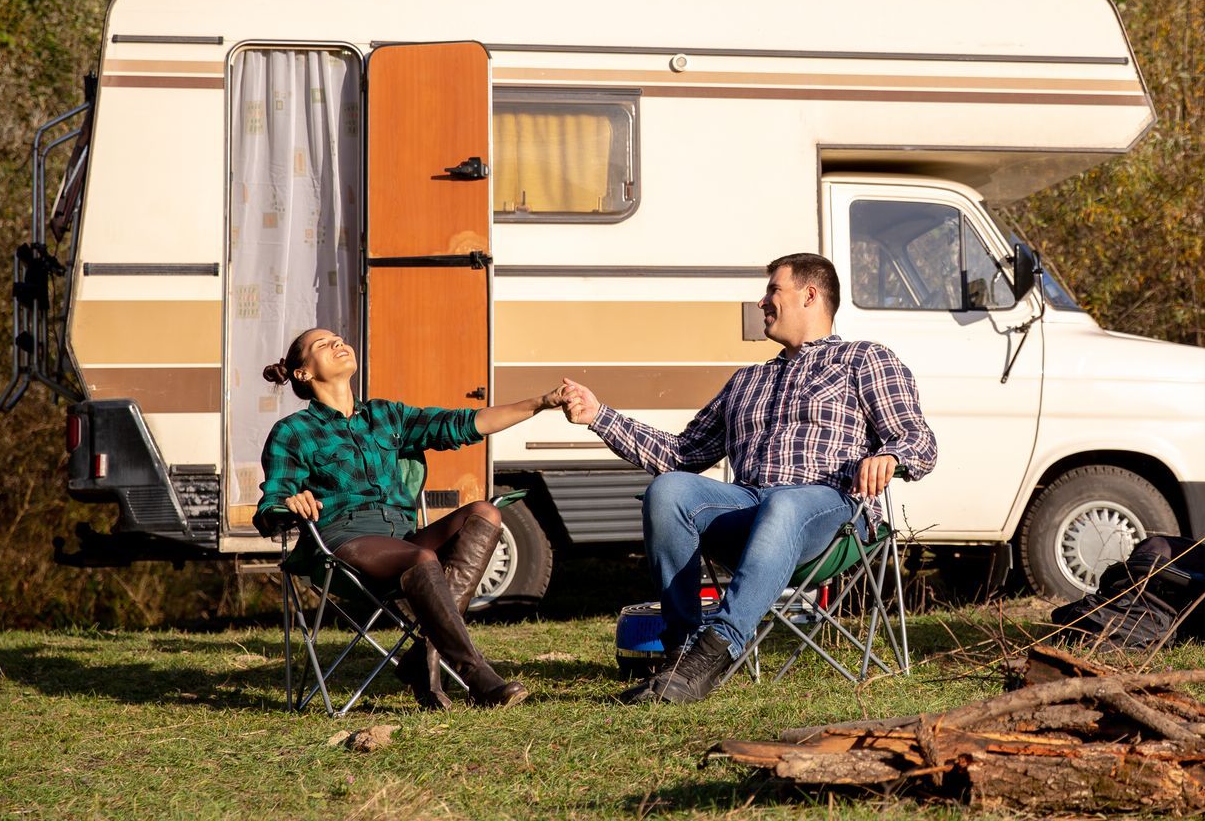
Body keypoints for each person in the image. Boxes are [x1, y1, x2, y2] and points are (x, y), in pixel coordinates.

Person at [556, 252, 937, 705]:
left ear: (810, 295)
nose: (761, 303)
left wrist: (891, 454)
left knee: (786, 502)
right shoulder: (747, 380)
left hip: (833, 513)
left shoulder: (865, 360)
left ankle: (715, 650)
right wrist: (600, 416)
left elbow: (919, 438)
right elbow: (681, 454)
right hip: (750, 509)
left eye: (773, 290)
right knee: (668, 490)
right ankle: (682, 655)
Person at [255, 327, 571, 709]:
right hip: (342, 545)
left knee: (484, 512)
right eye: (323, 344)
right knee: (422, 558)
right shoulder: (294, 432)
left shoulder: (386, 416)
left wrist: (541, 402)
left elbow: (466, 424)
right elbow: (271, 503)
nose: (338, 343)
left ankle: (425, 655)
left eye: (339, 339)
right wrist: (292, 502)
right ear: (303, 373)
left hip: (402, 538)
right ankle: (476, 675)